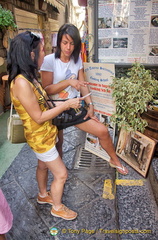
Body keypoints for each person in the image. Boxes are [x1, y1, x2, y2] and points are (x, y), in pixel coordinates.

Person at [7, 31, 82, 220]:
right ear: (31, 55)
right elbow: (39, 117)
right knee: (62, 174)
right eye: (41, 50)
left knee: (43, 166)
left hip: (46, 133)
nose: (44, 54)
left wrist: (64, 103)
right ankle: (57, 207)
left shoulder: (29, 77)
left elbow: (43, 103)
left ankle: (42, 195)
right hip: (40, 138)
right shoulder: (21, 83)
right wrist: (66, 104)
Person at [40, 23, 128, 175]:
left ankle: (114, 160)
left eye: (72, 43)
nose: (68, 47)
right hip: (54, 108)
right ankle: (59, 177)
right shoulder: (49, 60)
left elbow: (82, 84)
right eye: (65, 43)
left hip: (74, 105)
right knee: (58, 144)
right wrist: (67, 82)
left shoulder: (77, 59)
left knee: (102, 131)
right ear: (59, 42)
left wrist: (90, 104)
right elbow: (46, 90)